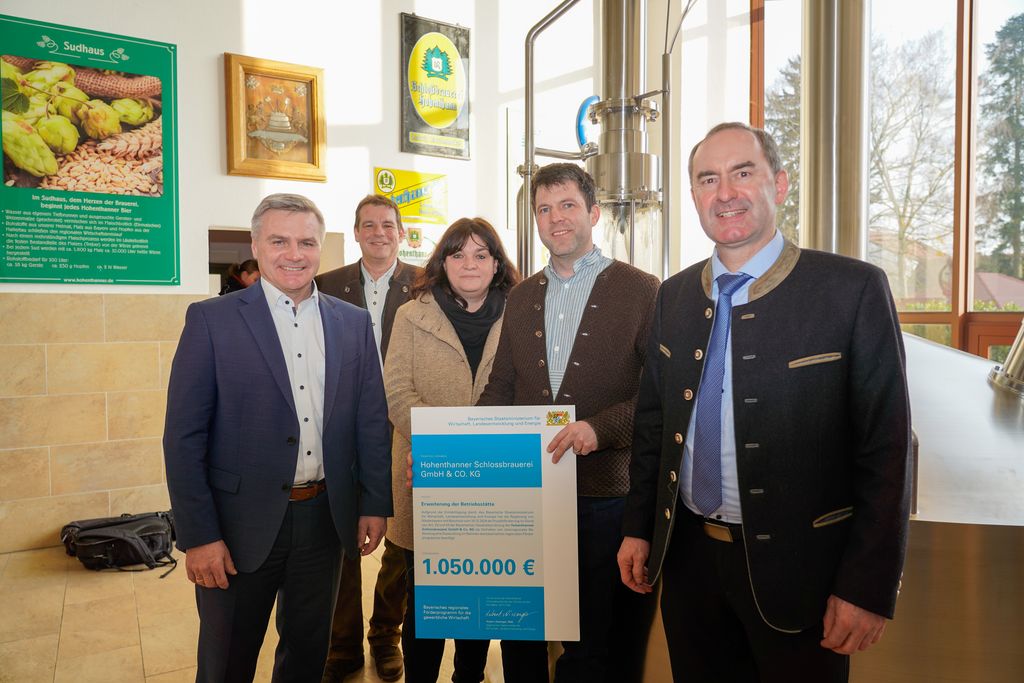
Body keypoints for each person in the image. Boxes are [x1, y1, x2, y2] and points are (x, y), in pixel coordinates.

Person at [617, 122, 912, 683]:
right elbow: (654, 425)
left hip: (803, 575)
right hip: (690, 567)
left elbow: (887, 450)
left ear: (778, 184)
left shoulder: (852, 291)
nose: (725, 192)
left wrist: (866, 586)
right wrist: (639, 529)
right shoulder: (673, 296)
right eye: (708, 179)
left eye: (742, 173)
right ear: (696, 198)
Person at [163, 193, 393, 682]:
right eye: (279, 241)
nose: (295, 253)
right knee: (227, 659)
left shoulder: (352, 324)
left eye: (307, 241)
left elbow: (371, 420)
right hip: (237, 524)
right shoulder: (212, 321)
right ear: (256, 244)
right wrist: (200, 535)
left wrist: (374, 502)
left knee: (307, 656)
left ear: (320, 247)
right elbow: (183, 439)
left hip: (324, 520)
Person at [477, 163, 660, 683]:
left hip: (606, 498)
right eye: (543, 209)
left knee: (592, 641)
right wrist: (454, 450)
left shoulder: (642, 290)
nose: (555, 219)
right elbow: (501, 390)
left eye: (567, 206)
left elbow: (659, 394)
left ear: (594, 213)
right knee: (523, 633)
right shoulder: (520, 296)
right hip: (528, 494)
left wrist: (599, 429)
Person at [384, 217, 521, 683]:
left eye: (481, 254)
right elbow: (397, 392)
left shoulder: (522, 313)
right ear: (442, 262)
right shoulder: (411, 314)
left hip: (494, 483)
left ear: (497, 264)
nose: (469, 263)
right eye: (458, 253)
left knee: (477, 603)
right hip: (423, 475)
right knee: (424, 603)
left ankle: (470, 676)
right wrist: (449, 449)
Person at [315, 194, 421, 682]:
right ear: (355, 232)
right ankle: (341, 645)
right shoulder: (326, 285)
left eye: (388, 225)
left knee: (400, 542)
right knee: (340, 536)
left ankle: (385, 635)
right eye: (368, 225)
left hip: (404, 427)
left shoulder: (426, 283)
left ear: (401, 233)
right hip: (343, 425)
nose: (379, 232)